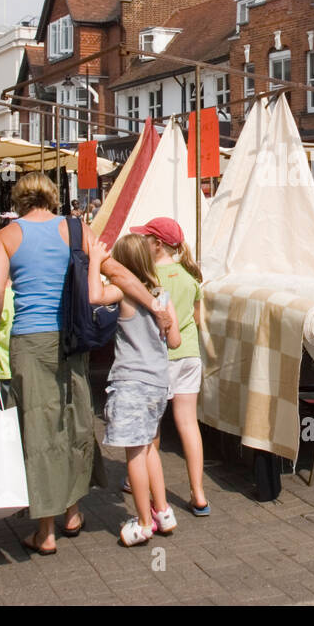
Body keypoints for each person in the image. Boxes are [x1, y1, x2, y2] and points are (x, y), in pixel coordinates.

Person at [0, 173, 169, 556]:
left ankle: (45, 531)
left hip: (30, 342)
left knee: (39, 426)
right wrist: (155, 306)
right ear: (51, 197)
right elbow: (117, 272)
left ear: (19, 199)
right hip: (71, 339)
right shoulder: (76, 227)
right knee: (74, 420)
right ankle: (72, 513)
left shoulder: (5, 237)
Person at [102, 233, 181, 546]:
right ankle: (162, 510)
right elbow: (174, 341)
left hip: (131, 380)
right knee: (149, 446)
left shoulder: (122, 292)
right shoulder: (161, 295)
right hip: (159, 381)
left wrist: (96, 262)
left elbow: (94, 295)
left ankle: (144, 522)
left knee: (133, 453)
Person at [133, 217, 209, 516]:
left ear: (157, 244)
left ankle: (149, 487)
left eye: (145, 238)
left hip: (160, 357)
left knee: (153, 429)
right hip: (190, 354)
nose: (141, 243)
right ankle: (199, 493)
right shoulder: (190, 276)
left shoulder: (148, 279)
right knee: (189, 424)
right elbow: (198, 318)